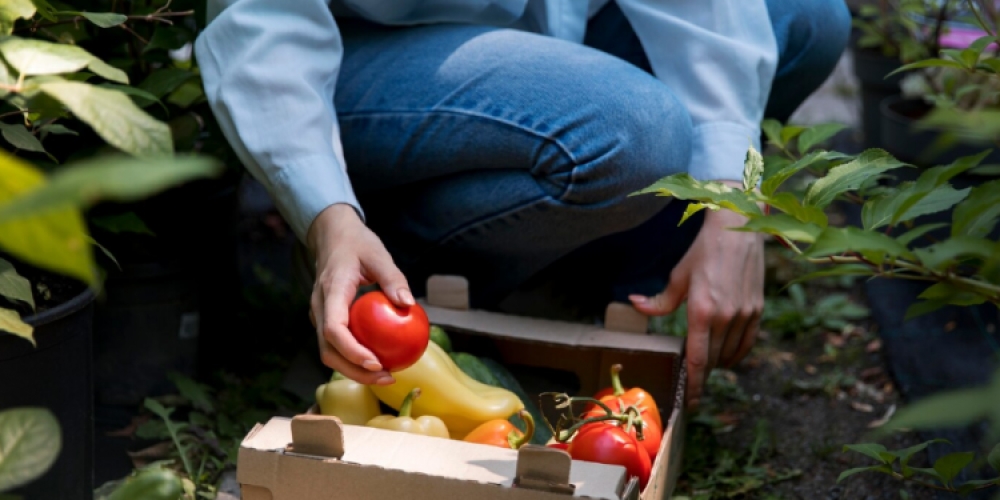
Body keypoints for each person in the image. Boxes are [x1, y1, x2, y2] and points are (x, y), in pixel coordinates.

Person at [195, 0, 851, 409]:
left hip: (540, 33)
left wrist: (732, 199)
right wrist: (326, 211)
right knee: (632, 132)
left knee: (807, 18)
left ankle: (582, 278)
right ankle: (392, 269)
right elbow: (262, 18)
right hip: (350, 58)